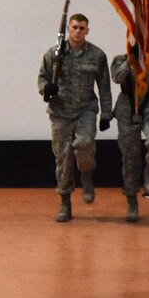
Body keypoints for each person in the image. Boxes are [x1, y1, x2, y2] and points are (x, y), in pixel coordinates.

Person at [38, 13, 113, 222]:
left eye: (82, 28)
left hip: (85, 110)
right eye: (74, 27)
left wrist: (106, 113)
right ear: (68, 29)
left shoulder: (97, 55)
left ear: (87, 30)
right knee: (62, 158)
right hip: (60, 112)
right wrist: (46, 88)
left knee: (85, 144)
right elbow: (42, 77)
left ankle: (86, 174)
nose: (78, 31)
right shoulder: (54, 54)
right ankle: (65, 203)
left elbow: (104, 86)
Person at [110, 48, 149, 222]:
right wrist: (129, 62)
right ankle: (132, 202)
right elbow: (117, 77)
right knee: (130, 158)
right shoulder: (119, 60)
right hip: (126, 110)